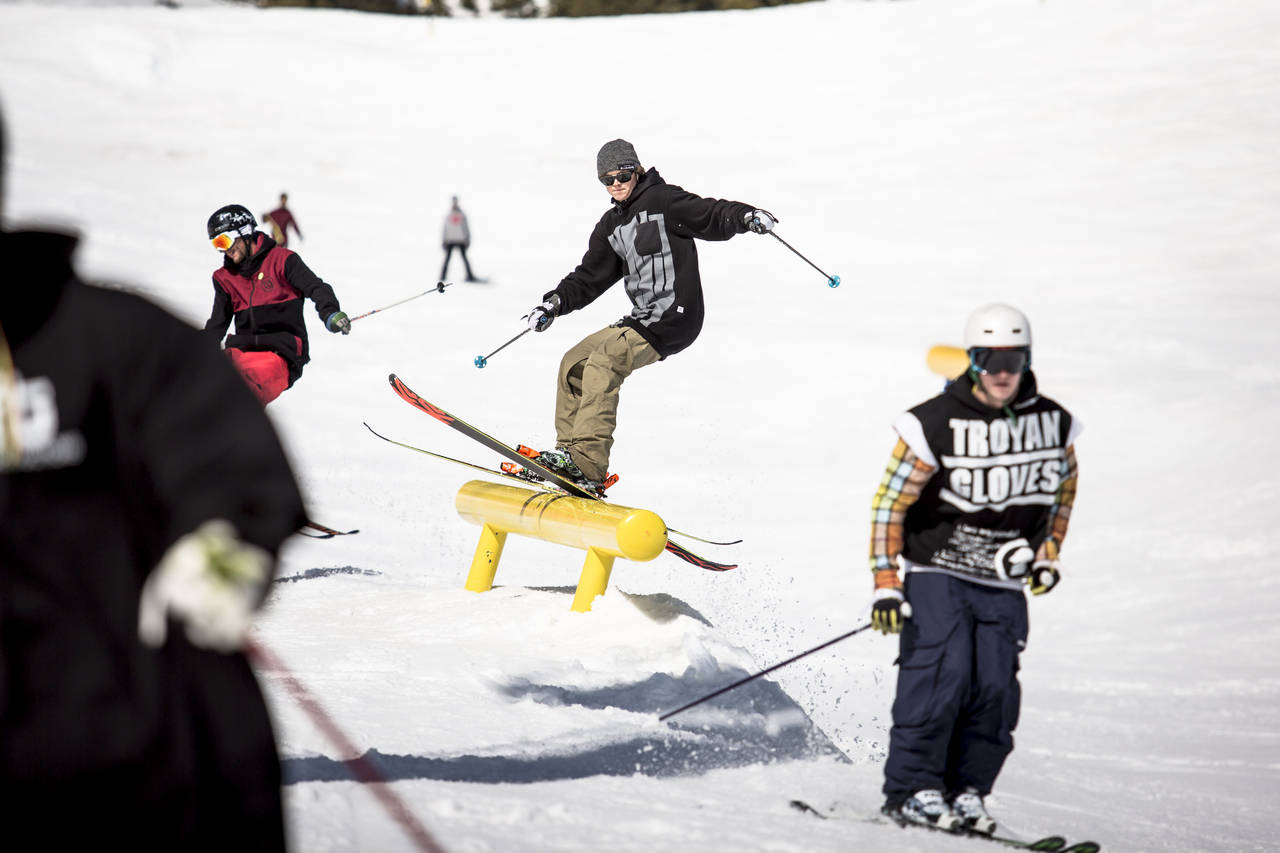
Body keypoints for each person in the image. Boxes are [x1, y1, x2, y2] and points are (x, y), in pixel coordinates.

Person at [0, 106, 306, 848]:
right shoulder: (220, 280)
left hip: (132, 739)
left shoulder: (102, 336)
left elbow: (216, 435)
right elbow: (210, 326)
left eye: (229, 235)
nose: (225, 247)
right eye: (218, 239)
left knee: (239, 372)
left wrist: (222, 539)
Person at [867, 303, 1081, 835]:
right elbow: (890, 505)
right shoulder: (933, 423)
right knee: (943, 676)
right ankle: (914, 789)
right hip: (938, 568)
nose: (1003, 371)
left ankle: (967, 792)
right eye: (990, 358)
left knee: (994, 689)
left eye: (1014, 358)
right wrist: (886, 584)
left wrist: (1047, 554)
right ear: (973, 361)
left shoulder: (1052, 422)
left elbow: (1062, 493)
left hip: (1003, 578)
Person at [524, 138, 777, 493]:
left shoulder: (663, 201)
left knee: (605, 360)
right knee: (574, 362)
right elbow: (589, 276)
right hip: (643, 317)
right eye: (607, 180)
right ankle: (569, 457)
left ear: (636, 170)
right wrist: (554, 303)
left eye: (622, 175)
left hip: (675, 315)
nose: (616, 184)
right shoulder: (610, 225)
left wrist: (745, 216)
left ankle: (588, 464)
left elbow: (709, 212)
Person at [204, 203, 351, 405]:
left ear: (244, 232)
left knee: (239, 394)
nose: (224, 250)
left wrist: (330, 313)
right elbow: (217, 324)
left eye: (225, 240)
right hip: (240, 351)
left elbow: (316, 287)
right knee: (197, 384)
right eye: (217, 244)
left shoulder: (282, 261)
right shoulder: (225, 279)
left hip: (279, 353)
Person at [440, 195, 479, 282]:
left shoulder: (462, 215)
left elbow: (466, 227)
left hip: (461, 240)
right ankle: (443, 276)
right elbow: (445, 229)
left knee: (464, 259)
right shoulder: (448, 215)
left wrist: (467, 239)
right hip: (450, 240)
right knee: (447, 259)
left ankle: (470, 275)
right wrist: (444, 240)